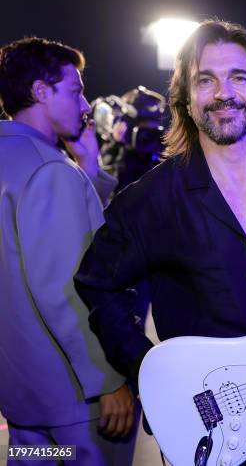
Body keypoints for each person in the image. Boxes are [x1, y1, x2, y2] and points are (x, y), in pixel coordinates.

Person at [74, 20, 246, 465]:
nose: (224, 92)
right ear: (185, 96)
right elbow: (96, 283)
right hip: (204, 437)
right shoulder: (152, 198)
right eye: (206, 79)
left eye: (238, 77)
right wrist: (144, 367)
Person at [0, 37, 137, 465]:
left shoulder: (19, 160)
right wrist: (108, 379)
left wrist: (89, 172)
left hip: (23, 399)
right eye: (75, 89)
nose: (85, 103)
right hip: (76, 401)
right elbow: (64, 288)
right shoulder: (50, 170)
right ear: (41, 91)